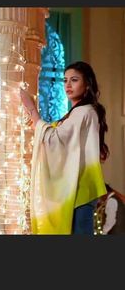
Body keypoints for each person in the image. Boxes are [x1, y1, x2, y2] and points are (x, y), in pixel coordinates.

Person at [20, 61, 109, 235]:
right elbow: (57, 136)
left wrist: (32, 111)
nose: (68, 85)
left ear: (87, 84)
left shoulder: (84, 112)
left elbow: (55, 140)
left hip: (80, 189)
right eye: (65, 80)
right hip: (80, 188)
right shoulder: (78, 112)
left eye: (74, 80)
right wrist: (36, 124)